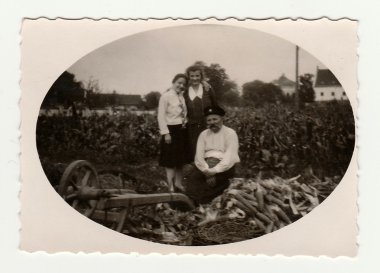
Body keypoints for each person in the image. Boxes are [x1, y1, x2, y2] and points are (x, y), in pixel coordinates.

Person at [183, 106, 240, 204]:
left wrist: (214, 171)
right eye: (209, 120)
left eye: (215, 119)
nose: (212, 122)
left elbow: (230, 157)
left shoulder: (230, 133)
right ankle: (189, 202)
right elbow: (199, 156)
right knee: (193, 178)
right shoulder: (203, 134)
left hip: (224, 167)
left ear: (222, 119)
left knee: (212, 186)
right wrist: (206, 170)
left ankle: (202, 202)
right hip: (206, 165)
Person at [157, 74, 190, 193]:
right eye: (179, 83)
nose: (181, 86)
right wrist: (166, 133)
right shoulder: (165, 96)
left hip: (182, 130)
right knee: (170, 161)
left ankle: (178, 184)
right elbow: (161, 116)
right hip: (171, 130)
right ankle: (170, 187)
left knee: (180, 160)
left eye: (183, 84)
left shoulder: (181, 96)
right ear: (173, 82)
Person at [183, 65, 218, 162]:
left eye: (197, 76)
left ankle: (210, 174)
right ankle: (196, 175)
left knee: (209, 152)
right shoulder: (185, 91)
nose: (195, 78)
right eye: (192, 76)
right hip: (191, 128)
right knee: (194, 153)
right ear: (188, 77)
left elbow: (215, 107)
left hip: (207, 126)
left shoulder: (208, 88)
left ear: (201, 76)